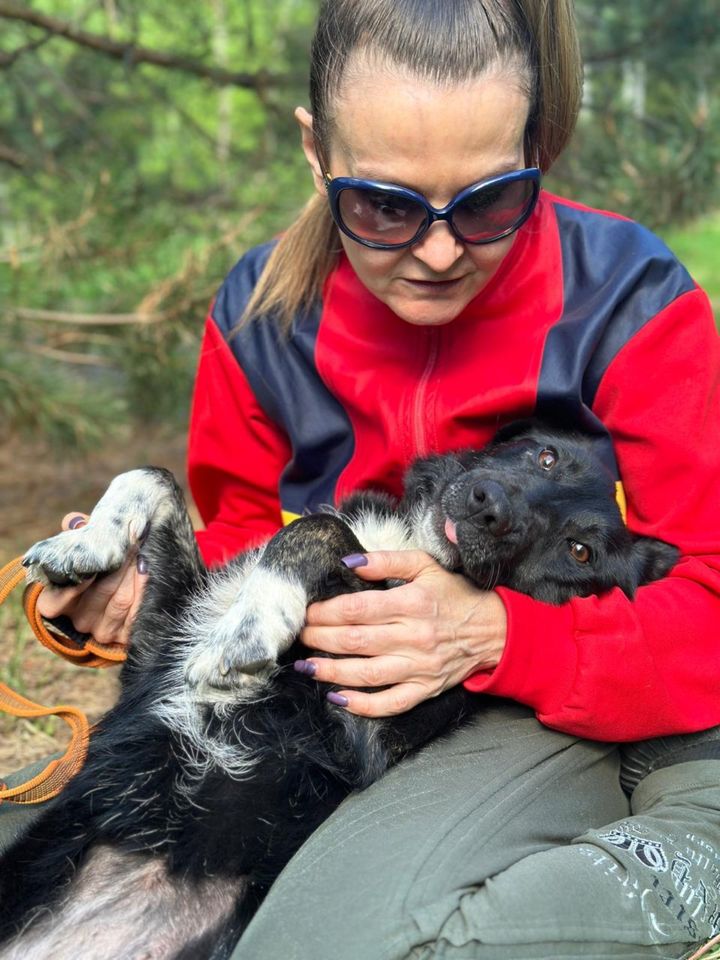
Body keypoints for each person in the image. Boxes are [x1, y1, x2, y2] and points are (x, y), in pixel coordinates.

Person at [11, 0, 720, 956]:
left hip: (579, 686)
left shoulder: (632, 301)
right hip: (371, 712)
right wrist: (123, 596)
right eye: (384, 206)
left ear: (538, 146)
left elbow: (708, 600)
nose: (437, 251)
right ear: (317, 154)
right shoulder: (259, 313)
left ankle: (684, 854)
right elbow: (238, 531)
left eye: (489, 200)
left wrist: (494, 636)